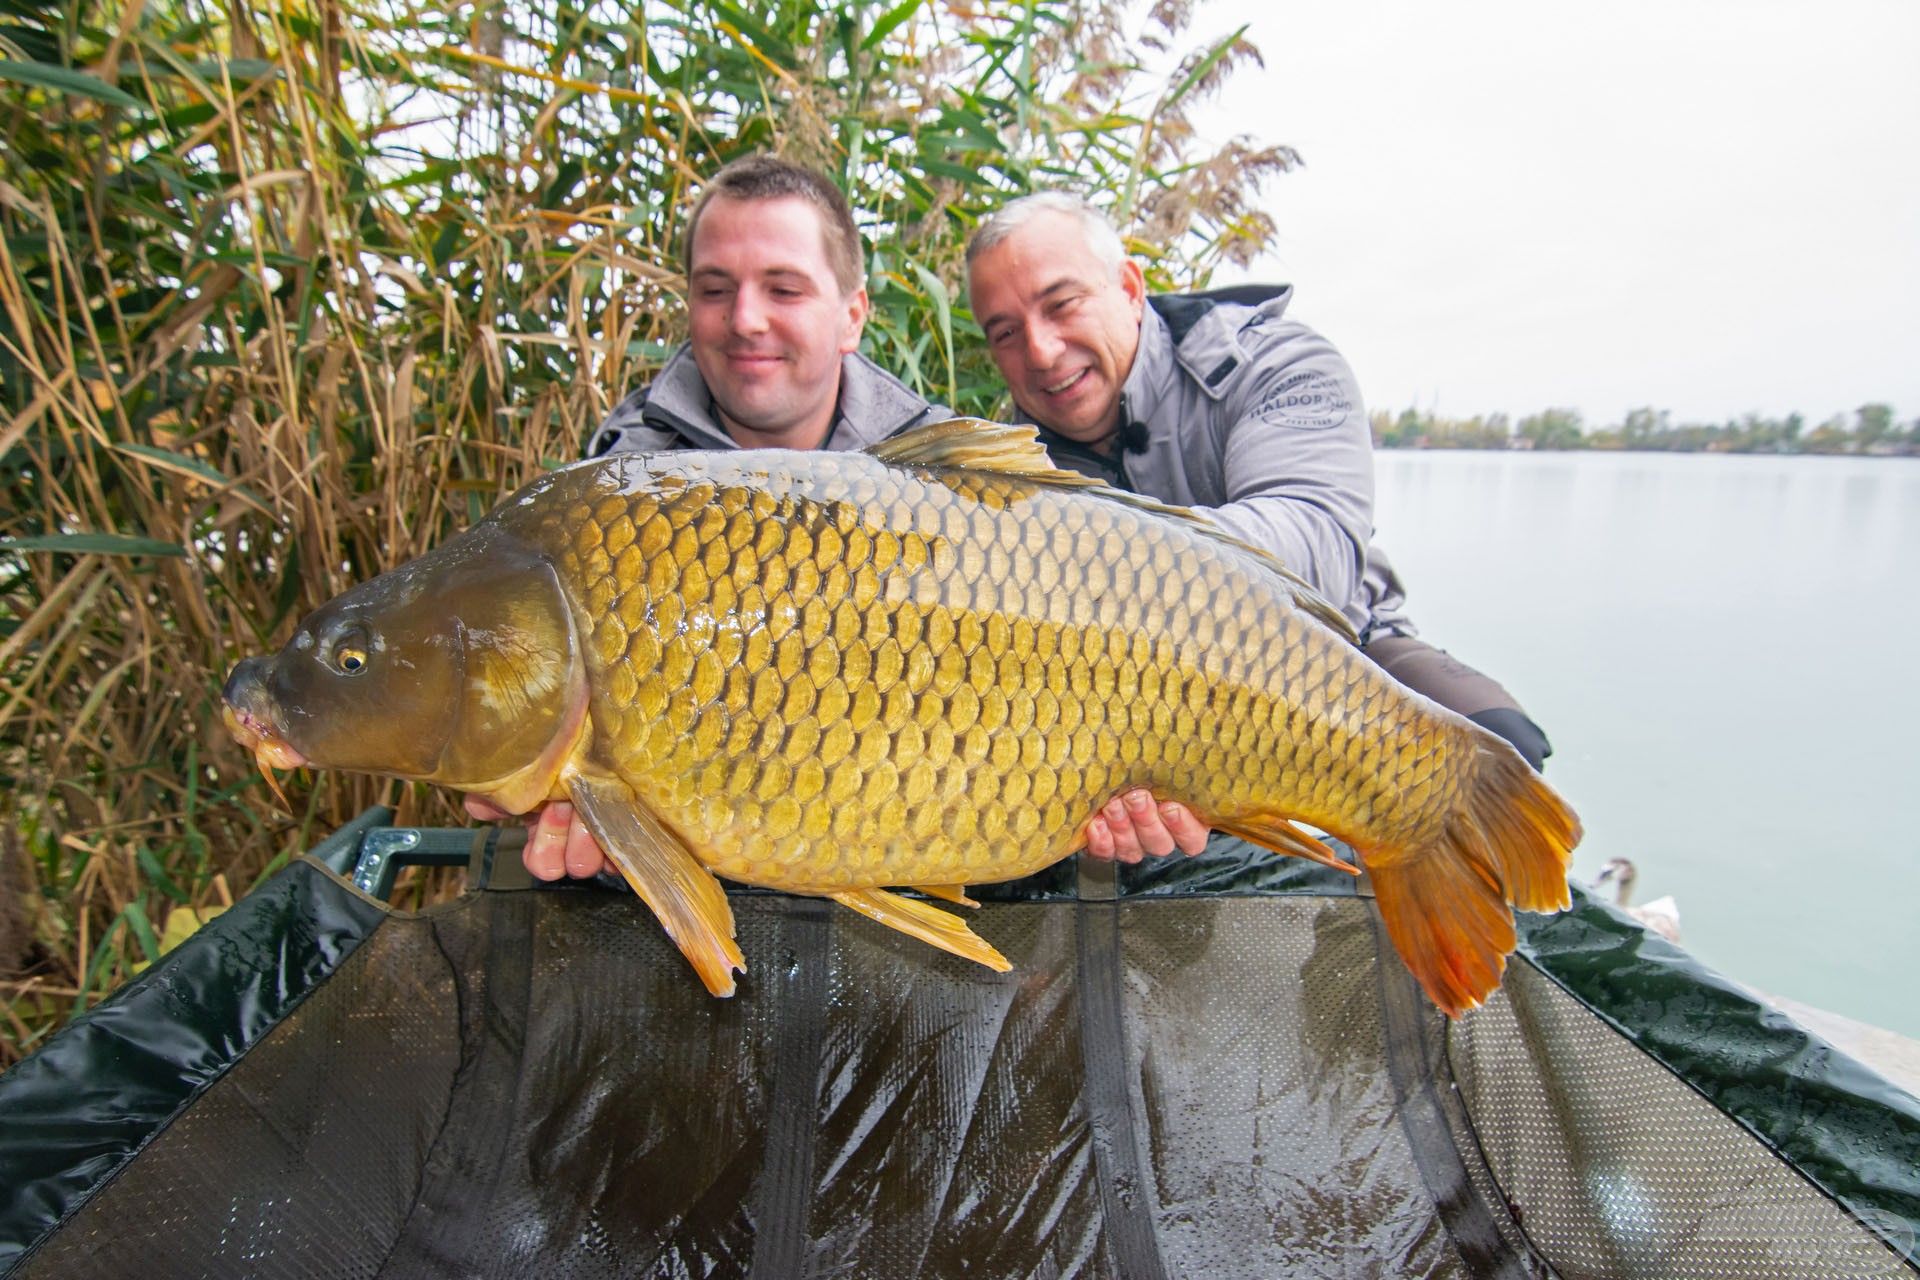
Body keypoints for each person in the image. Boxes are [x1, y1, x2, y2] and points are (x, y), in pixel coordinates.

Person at [475, 156, 1205, 881]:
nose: (745, 319)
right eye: (714, 289)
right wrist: (594, 833)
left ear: (852, 315)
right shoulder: (614, 500)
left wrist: (1111, 795)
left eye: (783, 288)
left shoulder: (955, 487)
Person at [963, 191, 1552, 775]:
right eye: (1006, 334)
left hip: (1335, 651)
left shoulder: (1278, 364)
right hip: (1122, 686)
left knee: (1498, 753)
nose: (1040, 351)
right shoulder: (999, 470)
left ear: (1130, 289)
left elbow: (1315, 550)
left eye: (1061, 304)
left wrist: (1072, 557)